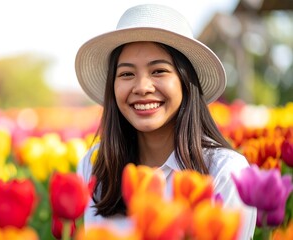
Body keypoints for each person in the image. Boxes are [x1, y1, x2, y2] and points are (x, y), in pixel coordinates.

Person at [75, 3, 257, 239]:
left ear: (185, 80)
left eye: (158, 71)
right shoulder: (95, 166)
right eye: (127, 74)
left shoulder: (224, 172)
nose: (142, 87)